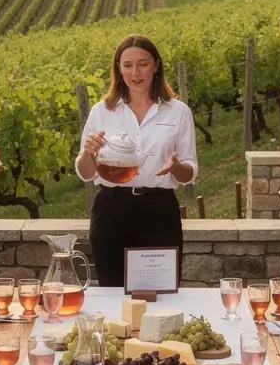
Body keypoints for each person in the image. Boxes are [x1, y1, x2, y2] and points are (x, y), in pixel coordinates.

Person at [76, 34, 199, 287]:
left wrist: (176, 167)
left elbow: (190, 172)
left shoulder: (179, 112)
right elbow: (85, 172)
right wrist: (88, 152)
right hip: (112, 211)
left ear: (156, 65)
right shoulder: (102, 111)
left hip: (159, 211)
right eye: (128, 65)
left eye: (143, 63)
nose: (136, 72)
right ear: (119, 70)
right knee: (112, 292)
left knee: (160, 293)